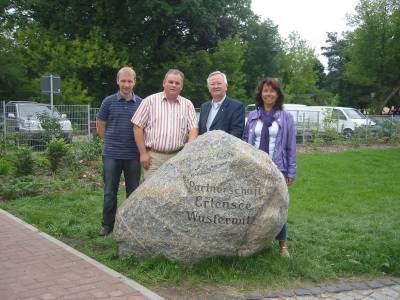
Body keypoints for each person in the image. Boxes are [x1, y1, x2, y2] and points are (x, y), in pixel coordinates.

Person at [243, 77, 296, 257]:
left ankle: (282, 244)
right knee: (254, 204)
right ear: (260, 93)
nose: (268, 94)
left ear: (278, 94)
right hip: (255, 168)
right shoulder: (252, 116)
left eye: (272, 91)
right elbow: (245, 142)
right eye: (265, 90)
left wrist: (291, 171)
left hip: (277, 167)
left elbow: (291, 147)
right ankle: (256, 241)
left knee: (278, 207)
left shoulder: (286, 117)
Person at [96, 67, 142, 236]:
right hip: (111, 154)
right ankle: (107, 225)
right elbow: (100, 124)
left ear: (134, 82)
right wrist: (108, 142)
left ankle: (130, 225)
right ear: (117, 81)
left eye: (130, 81)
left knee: (133, 192)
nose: (126, 84)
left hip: (133, 155)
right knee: (110, 191)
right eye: (123, 81)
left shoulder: (142, 104)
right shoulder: (108, 101)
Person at [132, 69, 198, 180]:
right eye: (171, 82)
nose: (174, 85)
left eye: (177, 83)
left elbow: (193, 128)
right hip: (154, 157)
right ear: (164, 83)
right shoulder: (149, 101)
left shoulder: (187, 105)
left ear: (181, 87)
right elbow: (137, 127)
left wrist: (189, 146)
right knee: (152, 193)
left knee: (175, 192)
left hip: (178, 157)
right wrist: (143, 153)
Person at [198, 71, 245, 138]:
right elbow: (201, 131)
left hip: (225, 147)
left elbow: (236, 133)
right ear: (208, 88)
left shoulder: (237, 107)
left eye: (219, 83)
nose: (216, 86)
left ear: (226, 86)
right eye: (212, 84)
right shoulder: (204, 107)